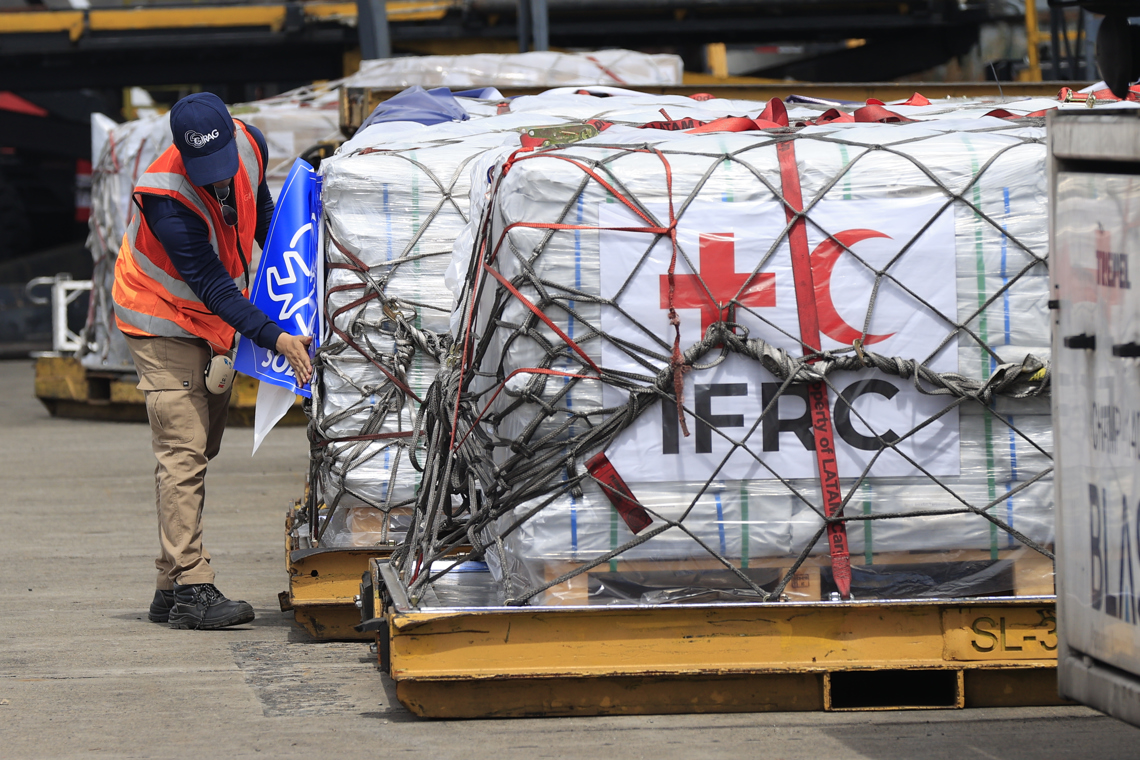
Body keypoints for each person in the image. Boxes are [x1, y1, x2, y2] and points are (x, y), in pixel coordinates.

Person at [112, 92, 312, 630]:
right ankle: (194, 587)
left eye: (221, 166)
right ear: (180, 152)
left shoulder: (251, 144)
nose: (217, 179)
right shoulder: (166, 198)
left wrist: (301, 273)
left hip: (211, 320)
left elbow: (260, 214)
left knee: (205, 443)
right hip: (160, 316)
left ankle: (167, 586)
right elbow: (214, 285)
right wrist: (275, 338)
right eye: (205, 171)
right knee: (182, 447)